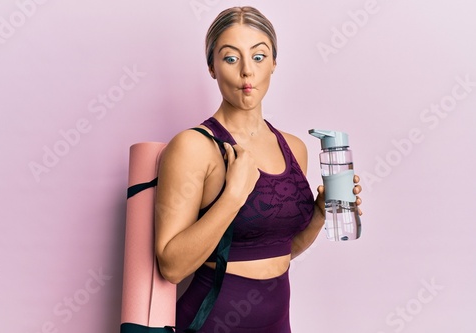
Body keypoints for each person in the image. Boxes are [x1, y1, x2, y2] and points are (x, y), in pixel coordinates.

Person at [154, 6, 363, 332]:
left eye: (259, 56)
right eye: (231, 58)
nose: (247, 72)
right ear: (212, 67)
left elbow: (282, 249)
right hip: (211, 321)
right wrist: (233, 195)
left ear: (274, 63)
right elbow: (172, 266)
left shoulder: (294, 148)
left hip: (278, 322)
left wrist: (320, 212)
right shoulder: (194, 146)